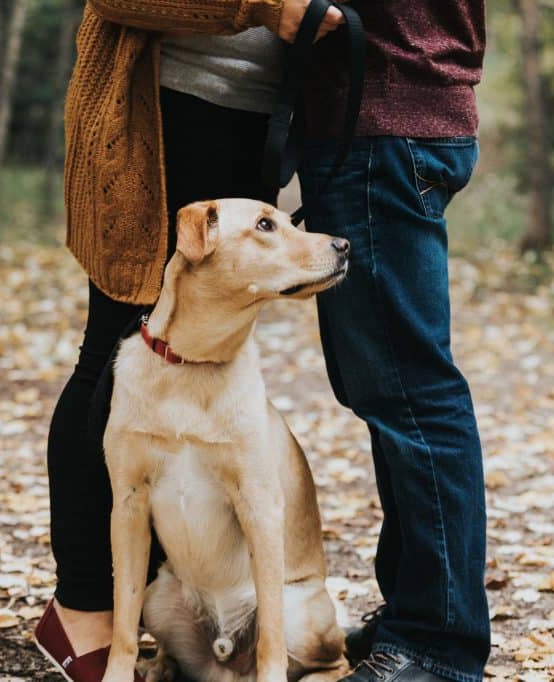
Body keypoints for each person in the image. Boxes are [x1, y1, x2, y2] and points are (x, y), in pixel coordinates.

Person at [36, 1, 344, 680]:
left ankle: (189, 613)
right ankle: (83, 608)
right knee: (116, 351)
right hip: (160, 111)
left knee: (203, 370)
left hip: (254, 116)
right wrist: (265, 8)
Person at [297, 3, 491, 682]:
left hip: (383, 122)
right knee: (388, 390)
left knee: (409, 392)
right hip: (398, 115)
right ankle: (417, 612)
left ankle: (437, 644)